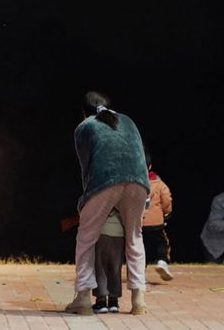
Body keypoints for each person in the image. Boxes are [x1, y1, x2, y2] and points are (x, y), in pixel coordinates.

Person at [66, 91, 150, 315]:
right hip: (139, 182)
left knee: (86, 237)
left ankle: (83, 297)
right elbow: (139, 155)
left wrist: (86, 200)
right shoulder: (128, 120)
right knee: (134, 238)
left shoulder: (85, 126)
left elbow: (87, 168)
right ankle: (138, 300)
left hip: (106, 181)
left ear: (85, 112)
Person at [142, 150, 174, 280]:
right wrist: (167, 212)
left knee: (139, 248)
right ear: (149, 166)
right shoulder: (160, 184)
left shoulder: (132, 184)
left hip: (138, 223)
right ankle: (162, 262)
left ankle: (138, 274)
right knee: (162, 243)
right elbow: (167, 201)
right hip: (156, 223)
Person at [91, 209, 124, 313]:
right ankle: (113, 301)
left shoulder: (101, 192)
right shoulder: (123, 192)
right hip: (119, 232)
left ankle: (101, 301)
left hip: (102, 230)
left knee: (100, 267)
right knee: (115, 268)